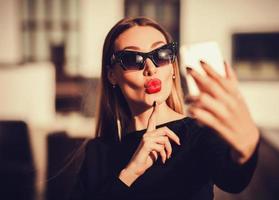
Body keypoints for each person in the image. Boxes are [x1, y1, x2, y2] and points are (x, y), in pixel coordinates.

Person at [69, 16, 260, 200]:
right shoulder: (97, 152)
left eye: (161, 54)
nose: (151, 68)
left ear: (172, 67)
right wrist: (130, 173)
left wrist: (247, 146)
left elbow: (234, 179)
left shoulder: (198, 133)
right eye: (132, 58)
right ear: (112, 75)